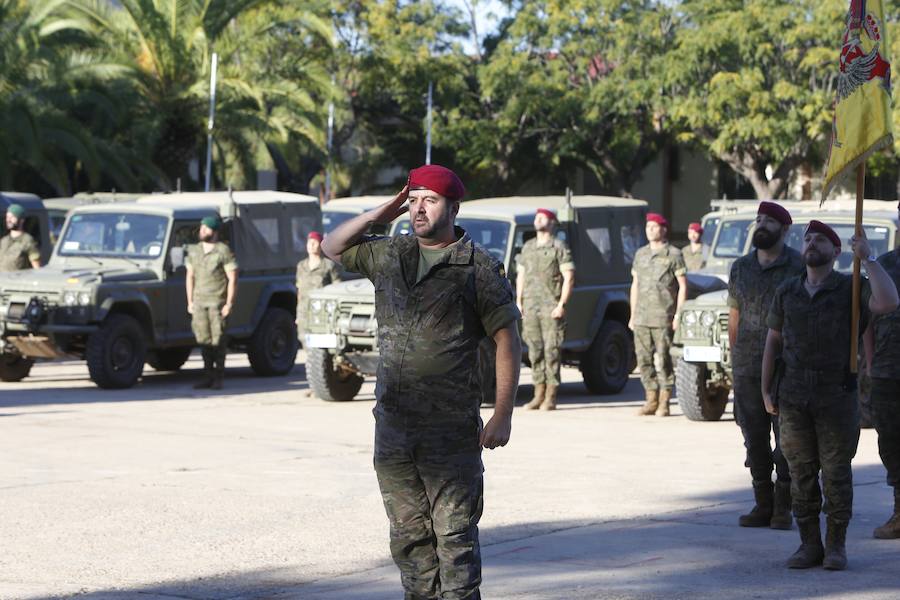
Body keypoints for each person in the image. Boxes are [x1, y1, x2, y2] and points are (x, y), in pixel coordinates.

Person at [321, 164, 522, 599]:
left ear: (453, 207)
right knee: (410, 542)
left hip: (447, 431)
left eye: (429, 200)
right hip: (393, 428)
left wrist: (502, 414)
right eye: (412, 201)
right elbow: (331, 246)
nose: (417, 209)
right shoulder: (391, 254)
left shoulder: (478, 269)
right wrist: (382, 211)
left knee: (454, 541)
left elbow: (508, 340)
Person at [762, 220, 898, 570]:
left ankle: (836, 545)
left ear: (836, 252)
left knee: (836, 473)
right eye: (808, 238)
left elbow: (888, 301)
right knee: (800, 472)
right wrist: (765, 388)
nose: (811, 243)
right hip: (792, 395)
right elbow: (773, 341)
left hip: (836, 394)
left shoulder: (851, 287)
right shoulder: (787, 290)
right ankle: (809, 544)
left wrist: (868, 258)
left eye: (821, 239)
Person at [727, 202, 804, 530]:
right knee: (753, 437)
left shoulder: (798, 265)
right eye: (759, 219)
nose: (761, 225)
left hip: (787, 367)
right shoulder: (741, 267)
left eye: (769, 221)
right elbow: (734, 314)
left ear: (784, 230)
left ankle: (783, 507)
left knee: (787, 440)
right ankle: (763, 503)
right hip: (747, 365)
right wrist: (735, 358)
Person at [862, 202, 900, 540]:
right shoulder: (885, 264)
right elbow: (869, 322)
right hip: (889, 371)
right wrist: (872, 364)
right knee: (891, 444)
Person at [516, 208, 575, 411]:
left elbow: (569, 277)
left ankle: (550, 395)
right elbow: (521, 275)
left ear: (551, 223)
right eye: (536, 217)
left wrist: (562, 304)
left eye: (542, 217)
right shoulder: (528, 247)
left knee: (552, 351)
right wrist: (519, 300)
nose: (537, 220)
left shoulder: (559, 247)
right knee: (534, 351)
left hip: (551, 307)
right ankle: (537, 394)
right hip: (531, 307)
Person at [630, 213, 687, 417]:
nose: (650, 230)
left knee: (663, 359)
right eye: (648, 227)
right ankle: (651, 399)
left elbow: (682, 286)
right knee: (643, 359)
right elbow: (635, 285)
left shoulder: (674, 254)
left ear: (664, 229)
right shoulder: (640, 254)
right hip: (642, 317)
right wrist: (632, 314)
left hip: (663, 315)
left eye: (654, 227)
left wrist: (678, 314)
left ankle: (665, 401)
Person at [186, 215, 239, 390]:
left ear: (214, 231)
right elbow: (190, 276)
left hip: (217, 302)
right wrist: (190, 301)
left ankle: (219, 376)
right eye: (201, 228)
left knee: (219, 340)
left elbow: (233, 278)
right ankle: (207, 375)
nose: (202, 231)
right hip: (200, 302)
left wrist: (229, 303)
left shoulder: (223, 251)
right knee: (204, 340)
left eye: (206, 228)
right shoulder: (195, 251)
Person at [296, 231, 341, 336]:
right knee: (304, 340)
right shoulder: (301, 266)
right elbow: (299, 291)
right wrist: (298, 315)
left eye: (314, 243)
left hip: (321, 312)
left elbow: (337, 288)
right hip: (303, 312)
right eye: (309, 242)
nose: (311, 245)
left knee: (322, 343)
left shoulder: (328, 265)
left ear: (320, 245)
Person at [0, 204, 41, 272]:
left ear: (21, 220)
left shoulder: (27, 240)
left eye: (12, 217)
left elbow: (37, 267)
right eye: (7, 217)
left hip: (17, 280)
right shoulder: (4, 240)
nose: (8, 220)